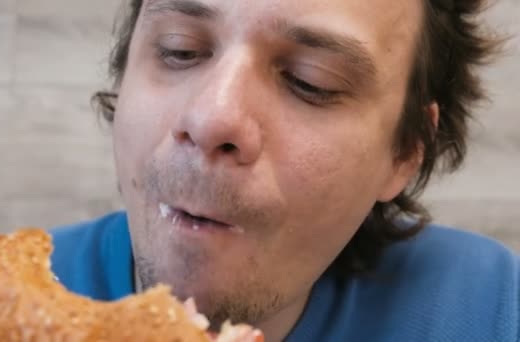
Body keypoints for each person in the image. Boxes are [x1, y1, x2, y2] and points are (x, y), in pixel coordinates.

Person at [50, 0, 517, 341]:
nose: (212, 119)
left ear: (405, 152)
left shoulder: (491, 309)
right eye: (181, 50)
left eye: (310, 81)